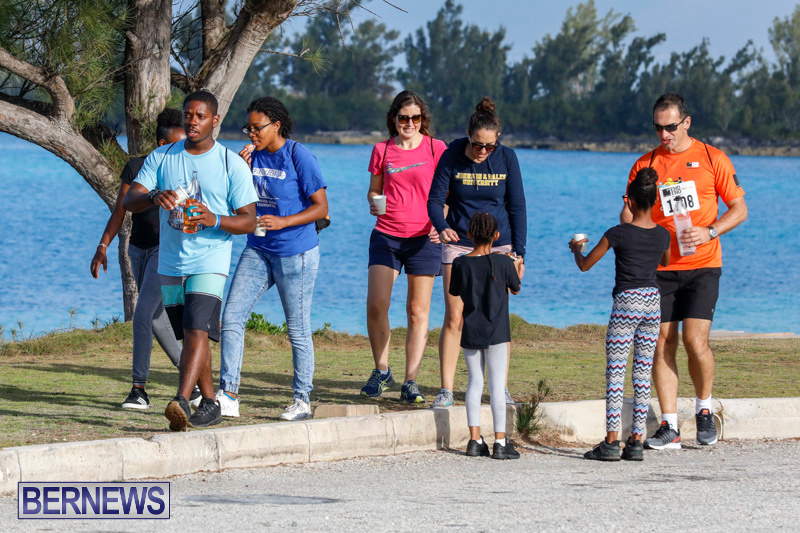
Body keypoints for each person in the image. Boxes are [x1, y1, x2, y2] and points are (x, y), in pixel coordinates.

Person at [123, 90, 258, 431]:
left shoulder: (230, 163)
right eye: (188, 115)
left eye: (200, 116)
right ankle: (210, 403)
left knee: (197, 328)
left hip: (211, 259)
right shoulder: (162, 156)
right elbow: (130, 200)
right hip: (171, 261)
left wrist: (213, 219)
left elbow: (249, 221)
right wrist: (155, 195)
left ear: (215, 120)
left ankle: (181, 399)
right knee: (190, 334)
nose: (193, 121)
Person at [622, 93, 747, 449]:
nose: (664, 134)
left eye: (671, 127)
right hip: (660, 268)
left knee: (695, 341)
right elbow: (628, 214)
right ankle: (669, 425)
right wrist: (637, 227)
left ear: (686, 122)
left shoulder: (712, 158)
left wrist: (710, 231)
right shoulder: (646, 163)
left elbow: (739, 209)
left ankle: (704, 409)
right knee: (662, 342)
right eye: (658, 128)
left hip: (703, 264)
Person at [216, 96, 328, 421]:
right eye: (248, 128)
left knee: (297, 329)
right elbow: (236, 205)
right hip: (258, 248)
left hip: (297, 253)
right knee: (232, 316)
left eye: (257, 128)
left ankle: (302, 401)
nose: (252, 134)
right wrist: (239, 170)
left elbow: (321, 208)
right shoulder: (250, 158)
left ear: (276, 125)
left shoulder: (298, 155)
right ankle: (229, 395)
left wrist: (284, 221)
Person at [90, 108, 195, 410]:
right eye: (177, 144)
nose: (183, 150)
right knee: (157, 318)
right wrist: (103, 245)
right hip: (137, 250)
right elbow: (121, 209)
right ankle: (194, 379)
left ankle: (139, 390)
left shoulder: (186, 170)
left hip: (167, 252)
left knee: (142, 314)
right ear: (162, 144)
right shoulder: (137, 167)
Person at [427, 96, 527, 409]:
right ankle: (446, 389)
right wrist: (442, 226)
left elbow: (517, 206)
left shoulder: (507, 158)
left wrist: (519, 253)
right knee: (455, 315)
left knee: (498, 317)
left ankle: (501, 388)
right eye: (477, 145)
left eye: (489, 146)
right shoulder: (452, 154)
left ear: (498, 140)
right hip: (459, 242)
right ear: (468, 136)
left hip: (499, 244)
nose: (483, 151)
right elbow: (434, 200)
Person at [570, 168, 671, 461]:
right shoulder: (663, 234)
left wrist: (576, 250)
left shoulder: (617, 233)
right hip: (653, 302)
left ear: (630, 202)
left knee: (616, 372)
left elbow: (585, 265)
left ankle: (611, 442)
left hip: (627, 301)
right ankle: (636, 440)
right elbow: (665, 262)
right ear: (655, 201)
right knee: (642, 373)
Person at [359, 90, 447, 403]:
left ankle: (411, 381)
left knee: (416, 311)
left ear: (423, 119)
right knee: (376, 305)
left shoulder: (436, 148)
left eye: (416, 118)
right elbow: (373, 190)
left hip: (425, 238)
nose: (410, 124)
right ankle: (382, 371)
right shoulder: (382, 149)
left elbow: (447, 195)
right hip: (387, 235)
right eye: (404, 118)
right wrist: (373, 202)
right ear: (394, 119)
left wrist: (441, 223)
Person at [450, 213, 523, 460]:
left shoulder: (460, 263)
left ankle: (474, 440)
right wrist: (517, 268)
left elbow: (455, 290)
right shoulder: (503, 262)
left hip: (471, 329)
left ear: (469, 234)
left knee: (475, 382)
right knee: (497, 385)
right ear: (496, 235)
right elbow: (516, 288)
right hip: (498, 332)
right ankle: (500, 442)